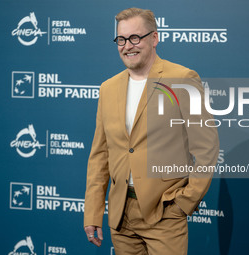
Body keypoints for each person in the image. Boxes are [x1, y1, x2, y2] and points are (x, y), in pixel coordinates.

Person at [84, 7, 219, 255]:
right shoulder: (108, 88)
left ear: (154, 38)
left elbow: (207, 148)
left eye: (136, 37)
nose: (128, 46)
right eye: (121, 39)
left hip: (164, 213)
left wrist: (183, 203)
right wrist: (93, 211)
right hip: (121, 216)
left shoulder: (183, 78)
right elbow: (100, 155)